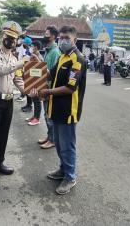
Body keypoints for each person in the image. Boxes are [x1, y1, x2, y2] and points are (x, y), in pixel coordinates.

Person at [33, 25, 87, 195]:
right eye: (61, 38)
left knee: (67, 145)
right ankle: (63, 170)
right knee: (58, 144)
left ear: (75, 40)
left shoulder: (78, 60)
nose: (62, 41)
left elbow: (70, 88)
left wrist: (47, 91)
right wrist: (34, 71)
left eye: (66, 38)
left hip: (68, 111)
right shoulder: (63, 57)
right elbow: (50, 74)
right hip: (55, 108)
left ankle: (70, 177)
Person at [0, 21, 30, 193]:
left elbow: (17, 79)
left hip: (8, 101)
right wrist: (21, 63)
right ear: (2, 36)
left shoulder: (15, 58)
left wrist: (28, 92)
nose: (11, 41)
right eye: (8, 37)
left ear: (17, 41)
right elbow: (2, 70)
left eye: (14, 39)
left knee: (3, 136)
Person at [38, 25, 61, 150]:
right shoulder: (48, 50)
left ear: (52, 36)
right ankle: (49, 136)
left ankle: (52, 140)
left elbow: (53, 75)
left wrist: (46, 91)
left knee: (49, 116)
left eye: (46, 33)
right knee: (46, 115)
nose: (44, 36)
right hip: (45, 87)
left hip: (49, 89)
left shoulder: (55, 52)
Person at [25, 40, 44, 126]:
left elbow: (41, 70)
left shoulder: (39, 57)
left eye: (32, 46)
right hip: (32, 81)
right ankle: (34, 116)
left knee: (37, 101)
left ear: (36, 47)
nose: (31, 48)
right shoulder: (33, 56)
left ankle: (37, 118)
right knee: (34, 99)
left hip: (37, 83)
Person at [20, 37, 34, 111]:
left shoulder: (31, 50)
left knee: (29, 89)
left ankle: (30, 106)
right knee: (26, 88)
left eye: (24, 42)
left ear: (28, 43)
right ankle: (28, 104)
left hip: (29, 71)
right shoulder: (26, 49)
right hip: (25, 70)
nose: (23, 43)